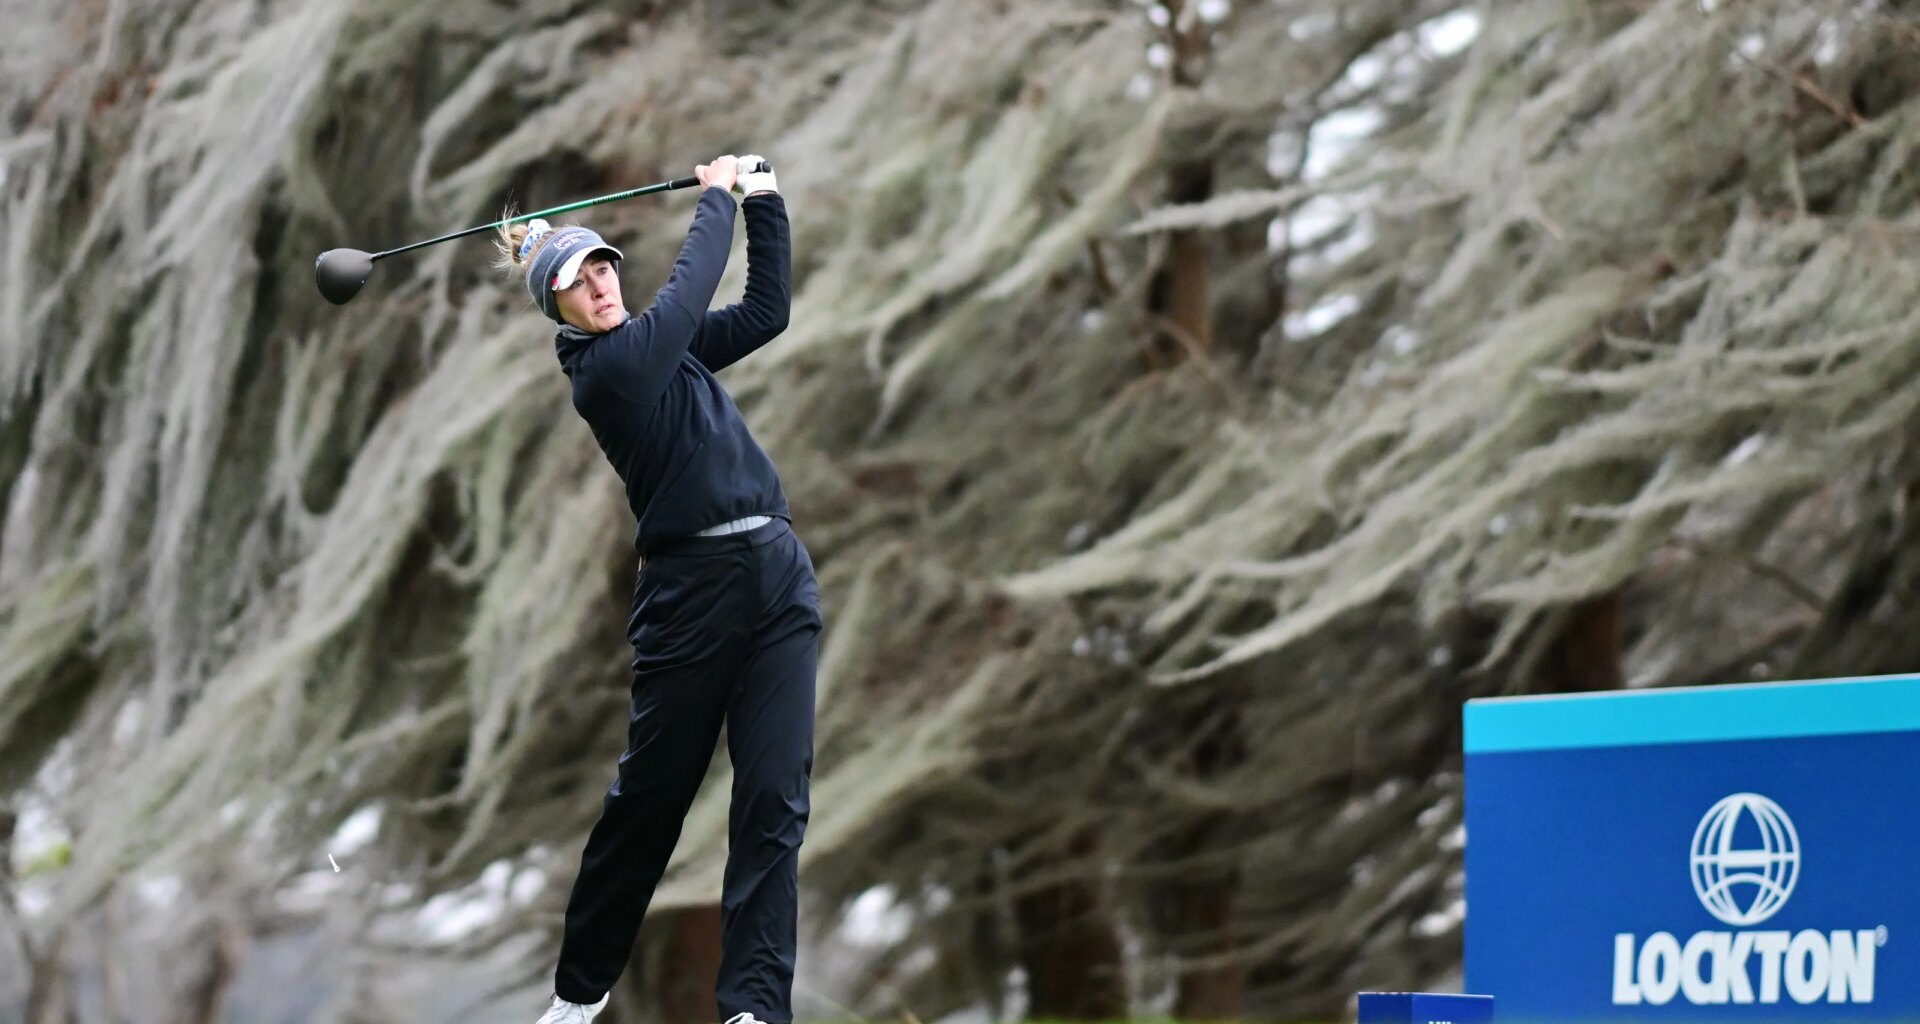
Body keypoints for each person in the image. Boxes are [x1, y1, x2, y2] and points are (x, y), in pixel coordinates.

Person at [497, 154, 818, 1024]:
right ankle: (578, 995)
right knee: (651, 799)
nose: (599, 284)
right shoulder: (607, 372)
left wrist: (766, 202)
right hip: (693, 594)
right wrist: (716, 195)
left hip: (778, 574)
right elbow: (685, 295)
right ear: (557, 309)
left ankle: (754, 1008)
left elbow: (765, 311)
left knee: (774, 798)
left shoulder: (664, 352)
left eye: (602, 265)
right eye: (576, 280)